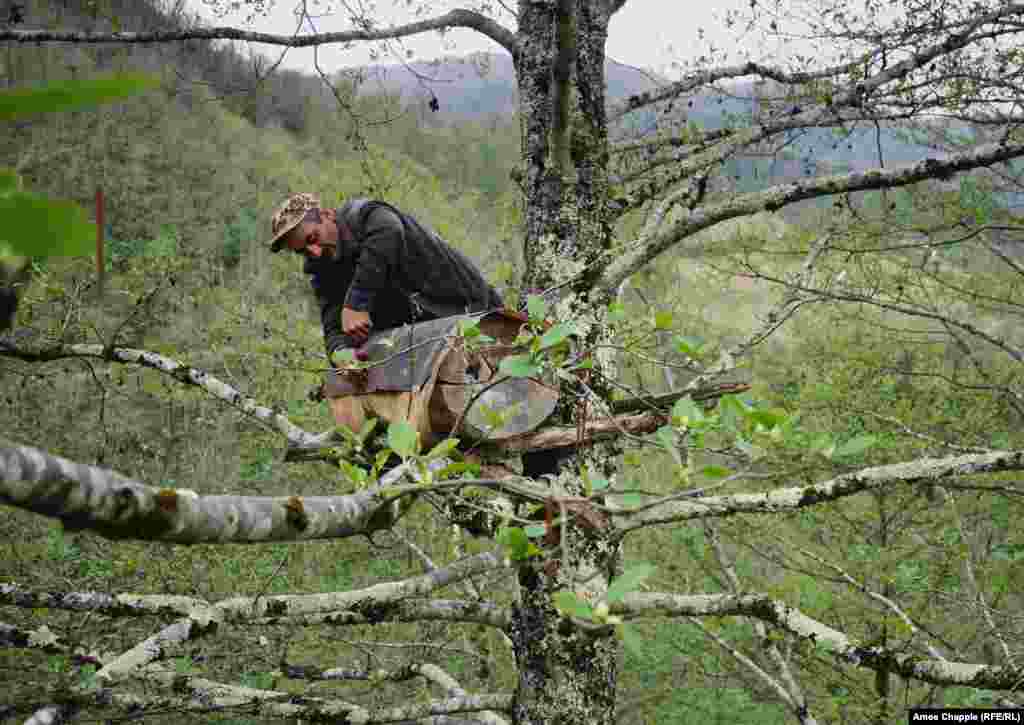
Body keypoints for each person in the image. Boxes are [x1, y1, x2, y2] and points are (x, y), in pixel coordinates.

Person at [266, 192, 504, 362]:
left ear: (327, 215)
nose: (314, 252)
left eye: (312, 238)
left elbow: (389, 230)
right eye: (302, 251)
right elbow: (333, 328)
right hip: (431, 342)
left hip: (477, 314)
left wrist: (356, 303)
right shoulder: (321, 270)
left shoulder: (365, 215)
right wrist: (342, 356)